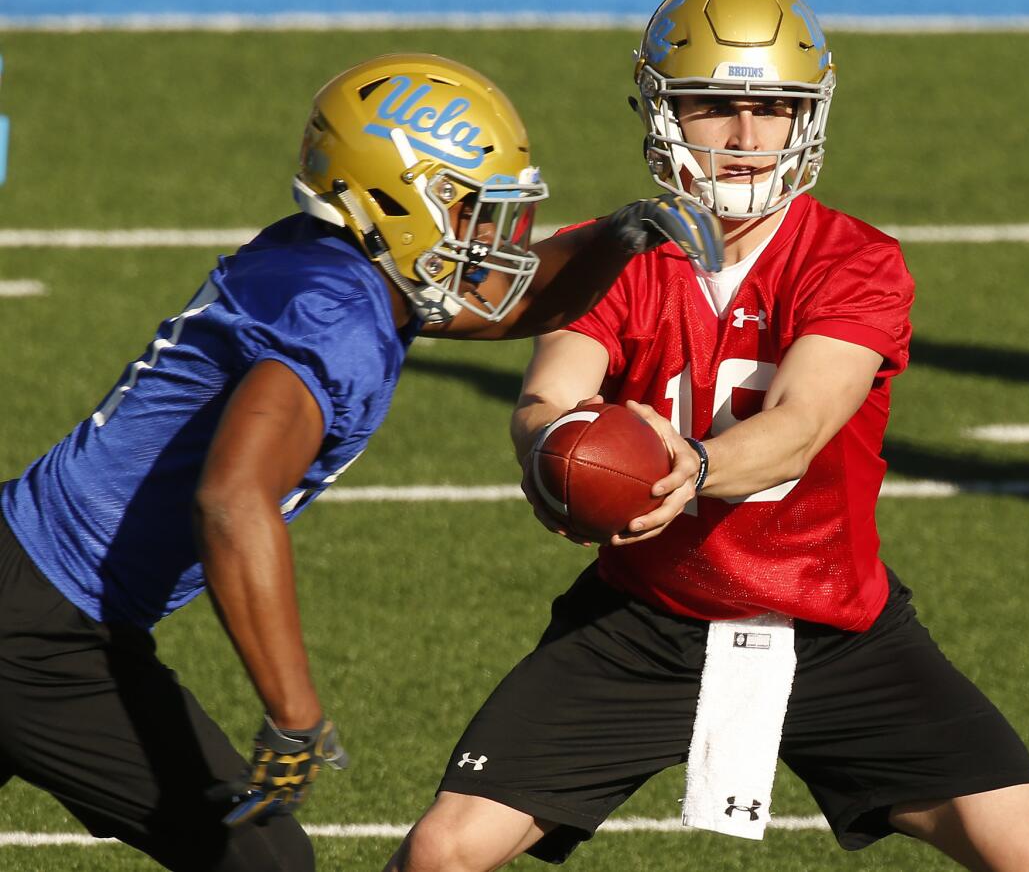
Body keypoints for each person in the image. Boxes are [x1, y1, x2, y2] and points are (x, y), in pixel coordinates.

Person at [388, 0, 1029, 872]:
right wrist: (552, 458)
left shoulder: (854, 259)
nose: (748, 136)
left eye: (775, 106)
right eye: (716, 104)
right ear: (662, 109)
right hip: (644, 616)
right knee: (442, 851)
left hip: (834, 624)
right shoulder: (610, 250)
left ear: (811, 114)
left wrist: (680, 464)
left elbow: (799, 426)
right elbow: (547, 398)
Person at [0, 52, 719, 872]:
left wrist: (617, 238)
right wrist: (294, 712)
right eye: (470, 211)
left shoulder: (337, 264)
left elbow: (512, 303)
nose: (491, 237)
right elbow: (232, 501)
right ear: (394, 202)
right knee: (264, 859)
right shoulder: (336, 314)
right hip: (43, 625)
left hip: (35, 585)